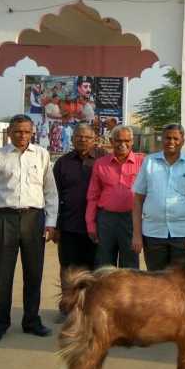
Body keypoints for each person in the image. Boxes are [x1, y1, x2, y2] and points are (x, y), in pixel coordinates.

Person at [0, 114, 58, 344]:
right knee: (2, 274)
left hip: (34, 219)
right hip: (5, 219)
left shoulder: (42, 155)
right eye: (17, 131)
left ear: (32, 133)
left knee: (34, 273)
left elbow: (50, 191)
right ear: (9, 133)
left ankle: (31, 321)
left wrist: (51, 222)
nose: (22, 135)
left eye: (26, 131)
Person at [131, 123, 185, 271]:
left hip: (183, 234)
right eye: (167, 138)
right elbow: (138, 199)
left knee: (181, 281)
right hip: (153, 234)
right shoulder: (149, 162)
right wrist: (137, 234)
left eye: (175, 138)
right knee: (156, 281)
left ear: (182, 141)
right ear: (162, 139)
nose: (171, 142)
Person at [52, 122, 103, 323]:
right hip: (68, 225)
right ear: (72, 139)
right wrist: (55, 225)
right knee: (68, 269)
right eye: (78, 137)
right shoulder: (62, 163)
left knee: (95, 269)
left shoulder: (103, 160)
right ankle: (68, 307)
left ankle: (91, 309)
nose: (82, 140)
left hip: (97, 227)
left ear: (95, 139)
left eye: (87, 137)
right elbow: (53, 196)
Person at [85, 125, 144, 269]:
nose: (122, 144)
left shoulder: (142, 163)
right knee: (104, 264)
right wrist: (90, 224)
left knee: (130, 265)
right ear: (111, 141)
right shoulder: (100, 164)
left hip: (131, 219)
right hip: (106, 220)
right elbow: (93, 196)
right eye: (118, 140)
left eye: (127, 140)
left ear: (132, 141)